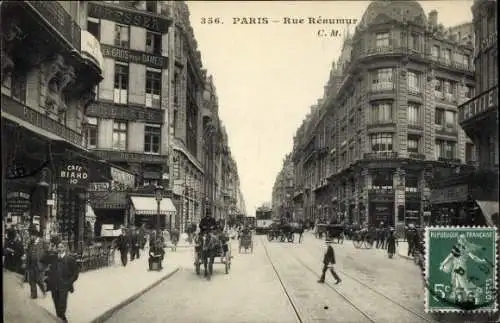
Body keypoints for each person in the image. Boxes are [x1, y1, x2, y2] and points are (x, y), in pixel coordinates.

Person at [44, 242, 79, 323]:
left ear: (65, 248)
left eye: (61, 247)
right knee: (56, 302)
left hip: (64, 285)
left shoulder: (70, 259)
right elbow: (43, 259)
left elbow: (75, 274)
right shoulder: (54, 258)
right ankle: (61, 318)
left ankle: (62, 318)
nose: (59, 249)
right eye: (58, 247)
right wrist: (49, 250)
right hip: (54, 285)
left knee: (62, 304)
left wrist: (68, 283)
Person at [26, 230, 48, 299]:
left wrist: (45, 264)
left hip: (40, 264)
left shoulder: (43, 242)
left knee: (39, 280)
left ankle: (44, 290)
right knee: (31, 279)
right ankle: (34, 295)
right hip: (31, 263)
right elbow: (28, 253)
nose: (30, 237)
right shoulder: (30, 243)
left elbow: (47, 253)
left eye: (31, 236)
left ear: (35, 235)